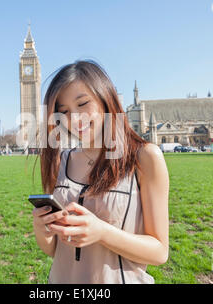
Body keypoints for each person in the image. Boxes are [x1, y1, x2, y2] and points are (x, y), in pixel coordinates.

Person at [32, 60, 169, 284]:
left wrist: (102, 232)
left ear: (106, 99)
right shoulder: (61, 160)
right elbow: (54, 250)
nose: (74, 119)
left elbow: (159, 252)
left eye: (83, 103)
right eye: (63, 111)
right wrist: (42, 229)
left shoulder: (145, 158)